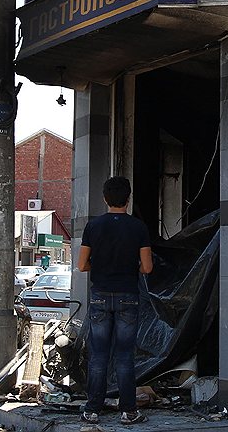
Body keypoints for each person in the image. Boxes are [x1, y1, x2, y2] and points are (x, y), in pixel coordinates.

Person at [78, 176, 153, 425]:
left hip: (100, 296)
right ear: (128, 199)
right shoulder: (138, 228)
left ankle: (92, 410)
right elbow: (147, 268)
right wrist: (131, 268)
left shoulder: (93, 226)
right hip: (128, 297)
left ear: (105, 198)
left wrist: (99, 267)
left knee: (98, 355)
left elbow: (81, 265)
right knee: (124, 356)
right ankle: (129, 411)